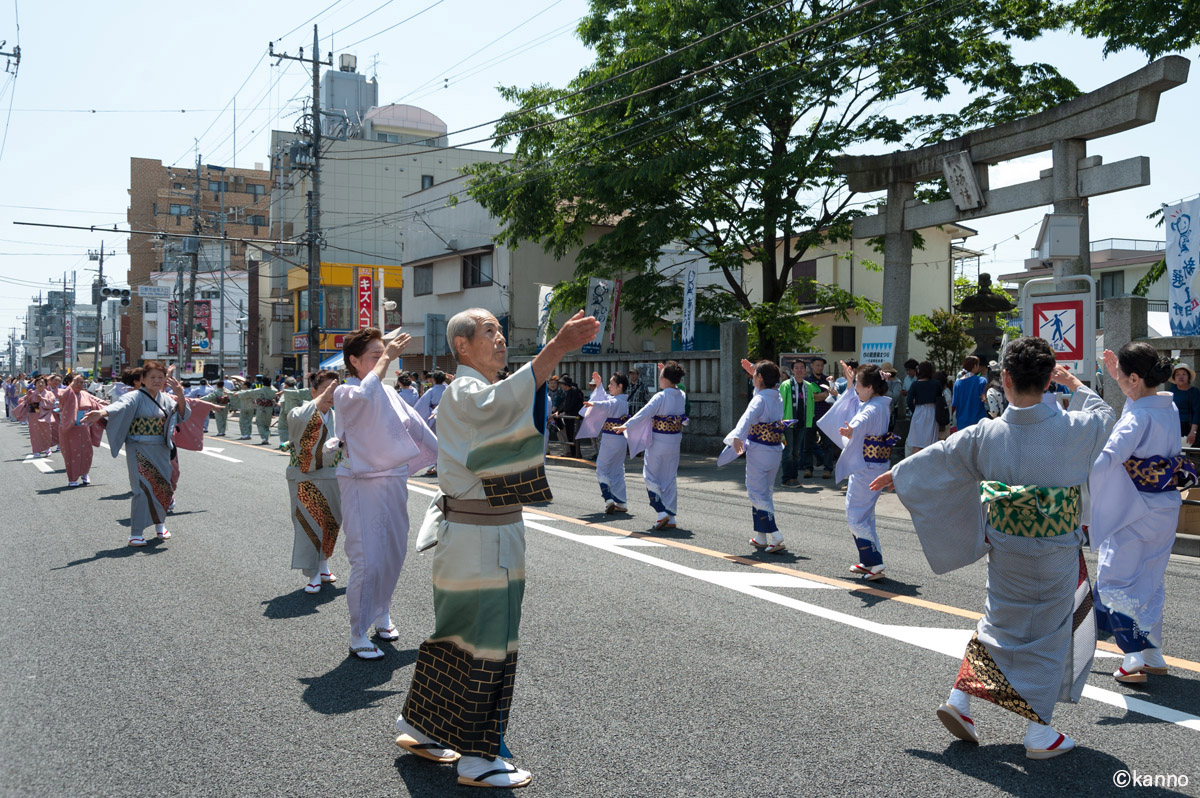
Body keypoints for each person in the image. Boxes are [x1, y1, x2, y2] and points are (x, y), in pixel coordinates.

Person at [870, 337, 1114, 760]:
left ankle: (960, 701)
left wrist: (899, 471)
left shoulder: (986, 432)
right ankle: (1039, 732)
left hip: (1005, 547)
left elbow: (941, 455)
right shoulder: (1075, 428)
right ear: (1047, 382)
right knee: (1050, 633)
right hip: (1055, 550)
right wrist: (1074, 382)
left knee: (997, 623)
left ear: (1005, 379)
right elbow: (1105, 413)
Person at [396, 308, 599, 790]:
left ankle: (421, 725)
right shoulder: (468, 391)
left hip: (475, 531)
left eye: (501, 330)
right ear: (462, 346)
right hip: (481, 535)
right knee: (488, 641)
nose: (501, 338)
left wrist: (550, 358)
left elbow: (510, 406)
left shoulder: (470, 390)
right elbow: (503, 407)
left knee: (459, 635)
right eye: (489, 331)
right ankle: (477, 756)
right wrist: (557, 349)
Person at [333, 329, 437, 661]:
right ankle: (356, 632)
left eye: (384, 354)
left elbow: (419, 428)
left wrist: (448, 458)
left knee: (393, 553)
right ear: (354, 361)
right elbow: (366, 396)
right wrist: (389, 357)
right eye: (375, 356)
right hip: (361, 482)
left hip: (392, 479)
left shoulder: (390, 392)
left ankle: (382, 612)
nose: (383, 359)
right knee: (368, 558)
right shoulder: (346, 392)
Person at [1089, 344, 1189, 684]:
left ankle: (1131, 656)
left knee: (1114, 581)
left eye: (1120, 376)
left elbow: (1110, 457)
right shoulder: (1168, 407)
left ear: (1134, 378)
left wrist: (1078, 479)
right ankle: (1152, 652)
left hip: (1134, 509)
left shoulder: (1136, 416)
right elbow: (1139, 399)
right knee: (1149, 579)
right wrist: (1122, 376)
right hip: (1166, 505)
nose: (1117, 379)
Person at [83, 360, 189, 547]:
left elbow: (182, 415)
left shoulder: (166, 398)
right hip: (139, 447)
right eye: (152, 377)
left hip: (162, 448)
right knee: (141, 488)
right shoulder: (135, 396)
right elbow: (120, 406)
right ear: (143, 379)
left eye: (160, 377)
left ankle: (160, 525)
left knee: (162, 487)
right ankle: (136, 532)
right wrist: (102, 412)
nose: (157, 381)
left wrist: (180, 395)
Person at [817, 362, 897, 580]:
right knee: (864, 515)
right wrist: (851, 382)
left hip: (867, 468)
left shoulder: (873, 407)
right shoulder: (877, 402)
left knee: (855, 516)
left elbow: (862, 416)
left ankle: (875, 563)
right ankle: (868, 561)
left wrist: (852, 428)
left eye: (859, 386)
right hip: (872, 465)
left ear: (870, 387)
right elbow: (855, 404)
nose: (857, 391)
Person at [286, 370, 343, 594]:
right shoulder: (299, 412)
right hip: (304, 476)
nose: (331, 395)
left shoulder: (340, 417)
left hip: (331, 475)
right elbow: (299, 420)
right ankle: (312, 573)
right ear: (313, 392)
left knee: (331, 523)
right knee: (308, 523)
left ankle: (323, 564)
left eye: (334, 391)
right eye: (325, 390)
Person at [724, 359, 789, 553]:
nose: (752, 378)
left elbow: (748, 416)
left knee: (755, 491)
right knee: (765, 491)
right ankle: (761, 536)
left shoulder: (760, 398)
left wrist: (736, 436)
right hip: (775, 449)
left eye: (755, 376)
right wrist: (757, 371)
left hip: (759, 449)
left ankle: (775, 534)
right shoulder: (776, 396)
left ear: (760, 378)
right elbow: (760, 398)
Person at [616, 361, 687, 530]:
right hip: (675, 439)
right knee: (669, 477)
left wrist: (627, 425)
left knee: (650, 475)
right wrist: (666, 372)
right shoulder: (681, 395)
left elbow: (644, 413)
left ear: (665, 379)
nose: (659, 378)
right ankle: (670, 517)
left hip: (659, 440)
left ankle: (661, 511)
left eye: (661, 376)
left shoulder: (660, 396)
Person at [578, 370, 630, 513]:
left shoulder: (615, 402)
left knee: (602, 467)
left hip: (610, 438)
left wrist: (594, 404)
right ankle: (621, 502)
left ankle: (608, 499)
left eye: (611, 384)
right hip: (621, 440)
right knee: (617, 469)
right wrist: (599, 385)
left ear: (619, 386)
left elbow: (607, 404)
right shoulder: (623, 401)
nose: (609, 386)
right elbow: (607, 399)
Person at [58, 373, 104, 487]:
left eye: (82, 382)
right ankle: (72, 478)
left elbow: (98, 402)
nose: (80, 384)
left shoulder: (85, 394)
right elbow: (62, 397)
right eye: (76, 381)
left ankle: (85, 473)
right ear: (69, 382)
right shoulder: (65, 393)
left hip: (84, 427)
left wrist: (112, 406)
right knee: (70, 452)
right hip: (69, 428)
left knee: (86, 452)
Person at [779, 359, 815, 487]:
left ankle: (794, 478)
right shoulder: (786, 385)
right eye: (797, 368)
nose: (799, 370)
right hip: (787, 424)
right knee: (788, 452)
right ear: (792, 370)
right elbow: (781, 404)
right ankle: (786, 479)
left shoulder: (808, 386)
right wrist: (780, 422)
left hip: (802, 423)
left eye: (802, 367)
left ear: (805, 370)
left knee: (797, 452)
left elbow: (810, 404)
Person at [806, 357, 837, 478]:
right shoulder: (807, 381)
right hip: (811, 415)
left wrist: (817, 396)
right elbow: (809, 397)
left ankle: (828, 469)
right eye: (817, 365)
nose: (820, 367)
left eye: (821, 365)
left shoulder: (828, 380)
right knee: (808, 444)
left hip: (826, 416)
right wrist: (822, 395)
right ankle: (808, 468)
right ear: (812, 366)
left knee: (828, 444)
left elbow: (831, 395)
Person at [905, 361, 941, 453]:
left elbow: (909, 401)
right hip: (932, 411)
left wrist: (915, 410)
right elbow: (940, 399)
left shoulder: (915, 384)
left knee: (917, 442)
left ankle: (916, 465)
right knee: (930, 442)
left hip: (919, 411)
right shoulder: (936, 384)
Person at [20, 377, 56, 457]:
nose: (40, 384)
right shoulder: (32, 393)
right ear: (35, 385)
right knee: (35, 433)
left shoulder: (49, 393)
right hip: (34, 415)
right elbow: (22, 402)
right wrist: (26, 397)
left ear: (46, 385)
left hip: (46, 415)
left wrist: (43, 399)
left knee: (47, 432)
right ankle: (36, 450)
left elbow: (52, 403)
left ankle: (47, 448)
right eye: (38, 382)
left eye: (42, 382)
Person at [952, 355, 989, 429]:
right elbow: (985, 401)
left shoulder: (957, 383)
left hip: (962, 423)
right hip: (978, 422)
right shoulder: (982, 381)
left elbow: (954, 404)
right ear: (975, 366)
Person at [1168, 363, 1200, 445]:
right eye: (1178, 374)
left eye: (1184, 374)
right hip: (1174, 427)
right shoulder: (1172, 391)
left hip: (1189, 427)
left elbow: (1197, 413)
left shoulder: (1194, 392)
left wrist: (1193, 432)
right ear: (1174, 378)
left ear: (1188, 377)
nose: (1181, 377)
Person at [276, 376, 310, 450]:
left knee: (283, 428)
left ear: (286, 385)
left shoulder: (286, 392)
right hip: (297, 413)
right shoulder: (297, 391)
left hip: (285, 413)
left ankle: (284, 443)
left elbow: (280, 403)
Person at [555, 375, 585, 458]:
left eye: (562, 384)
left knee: (573, 436)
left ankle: (576, 454)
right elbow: (564, 404)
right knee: (570, 436)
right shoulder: (568, 392)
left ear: (565, 384)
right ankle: (573, 453)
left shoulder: (575, 391)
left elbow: (572, 404)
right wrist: (559, 411)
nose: (561, 386)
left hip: (574, 418)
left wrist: (566, 412)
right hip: (569, 417)